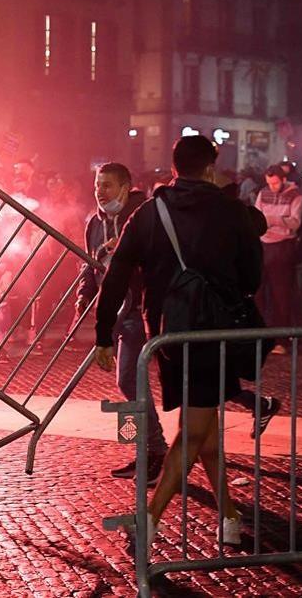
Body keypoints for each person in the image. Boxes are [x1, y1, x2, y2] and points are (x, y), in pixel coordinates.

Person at [93, 136, 264, 549]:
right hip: (213, 331)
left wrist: (104, 333)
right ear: (210, 168)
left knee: (204, 429)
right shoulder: (229, 210)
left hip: (167, 333)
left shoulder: (150, 213)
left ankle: (229, 516)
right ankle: (149, 519)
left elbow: (116, 273)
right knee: (194, 431)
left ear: (173, 168)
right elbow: (252, 278)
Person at [75, 163, 166, 484]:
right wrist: (84, 295)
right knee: (126, 382)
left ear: (126, 188)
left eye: (108, 186)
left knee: (131, 379)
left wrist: (130, 251)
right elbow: (89, 264)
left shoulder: (143, 217)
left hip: (140, 308)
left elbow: (161, 258)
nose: (100, 192)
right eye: (98, 185)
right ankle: (146, 452)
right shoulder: (93, 224)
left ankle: (155, 452)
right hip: (115, 312)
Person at [254, 165, 302, 354]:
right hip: (264, 245)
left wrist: (272, 220)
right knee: (258, 292)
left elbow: (295, 222)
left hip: (283, 246)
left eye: (275, 183)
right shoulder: (263, 193)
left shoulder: (296, 195)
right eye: (269, 183)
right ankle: (260, 335)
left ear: (283, 179)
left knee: (280, 294)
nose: (272, 187)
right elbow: (257, 216)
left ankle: (280, 339)